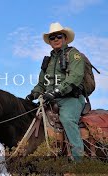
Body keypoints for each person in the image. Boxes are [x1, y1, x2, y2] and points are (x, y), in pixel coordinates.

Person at [26, 22, 85, 161]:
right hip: (49, 99)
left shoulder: (74, 55)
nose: (56, 39)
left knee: (67, 119)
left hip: (71, 99)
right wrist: (32, 94)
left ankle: (79, 162)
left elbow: (75, 77)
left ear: (65, 38)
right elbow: (42, 84)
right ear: (50, 42)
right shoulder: (48, 61)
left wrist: (57, 91)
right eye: (52, 38)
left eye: (59, 36)